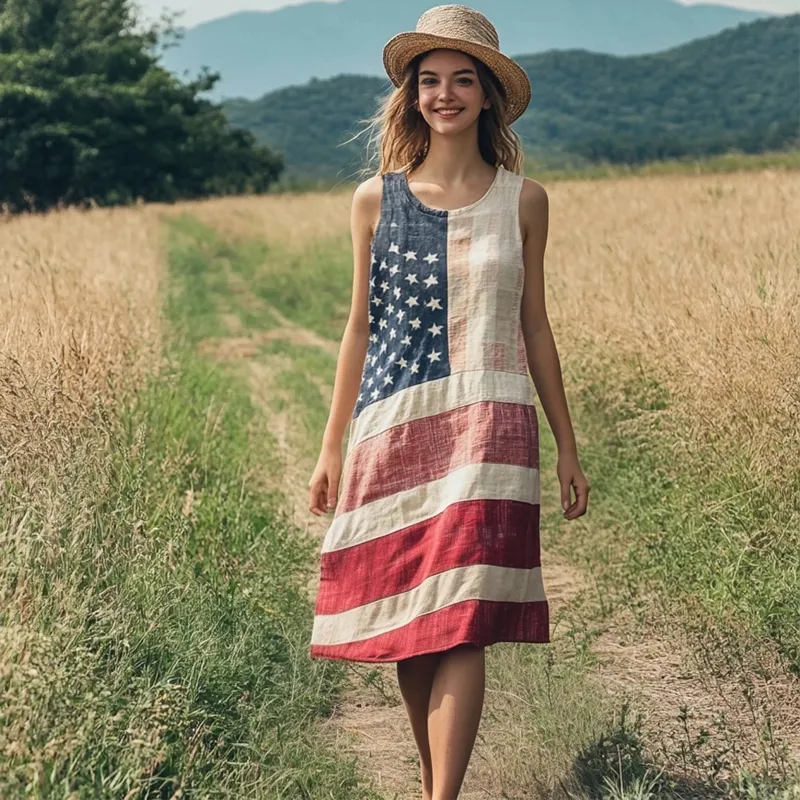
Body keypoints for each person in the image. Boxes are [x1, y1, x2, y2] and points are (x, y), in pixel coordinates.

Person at [307, 5, 590, 798]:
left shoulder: (525, 201)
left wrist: (567, 444)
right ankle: (436, 782)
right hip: (393, 426)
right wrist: (332, 447)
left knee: (463, 611)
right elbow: (358, 328)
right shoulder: (373, 200)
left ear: (489, 95)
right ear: (411, 96)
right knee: (412, 620)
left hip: (492, 427)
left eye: (463, 79)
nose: (445, 94)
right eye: (430, 80)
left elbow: (536, 327)